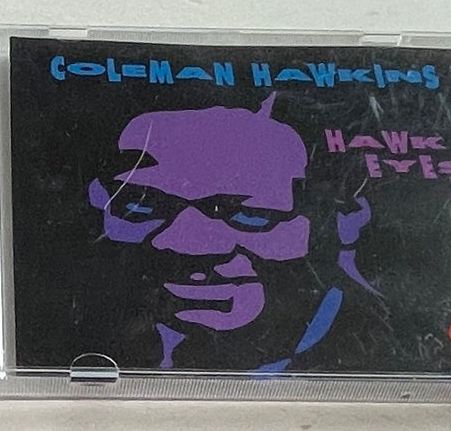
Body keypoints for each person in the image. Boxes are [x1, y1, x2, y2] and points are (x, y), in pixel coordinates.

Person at [87, 95, 375, 372]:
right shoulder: (86, 339)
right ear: (100, 202)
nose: (190, 245)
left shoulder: (371, 348)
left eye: (250, 214)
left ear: (344, 223)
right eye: (143, 206)